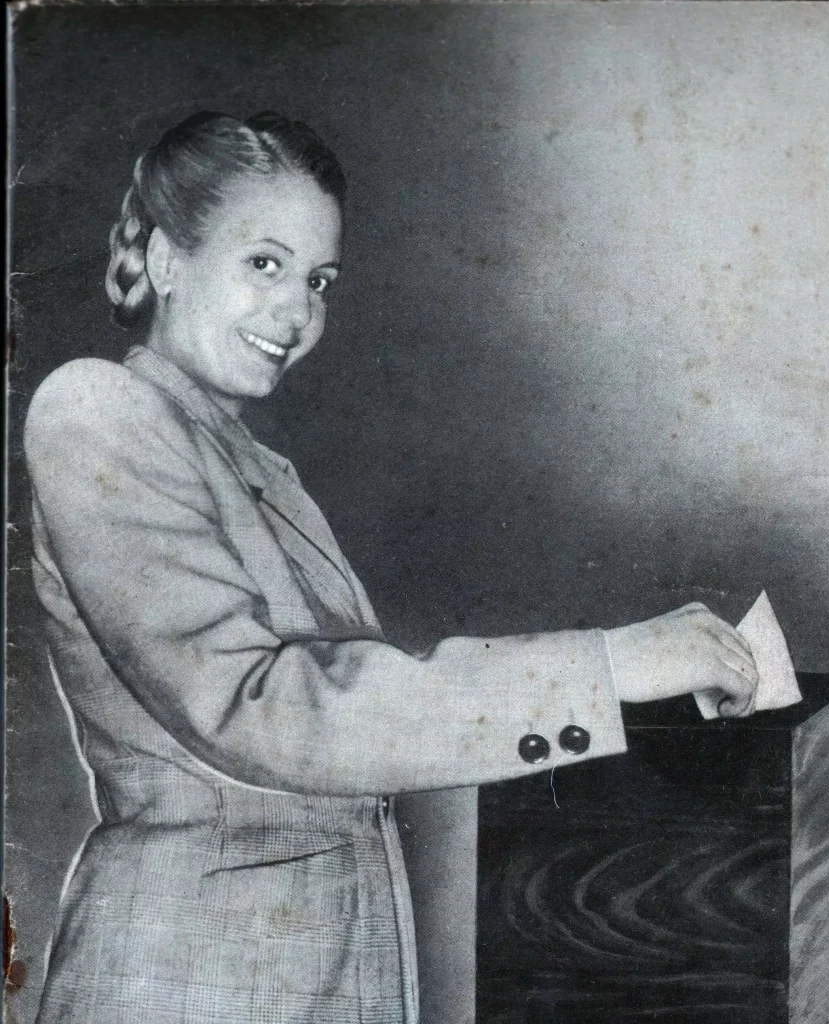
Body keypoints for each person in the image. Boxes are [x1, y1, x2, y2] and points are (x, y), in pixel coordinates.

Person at [24, 110, 757, 1024]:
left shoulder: (253, 467)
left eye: (318, 280)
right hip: (183, 982)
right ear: (168, 260)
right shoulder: (98, 409)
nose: (298, 311)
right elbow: (263, 706)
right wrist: (604, 668)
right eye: (264, 263)